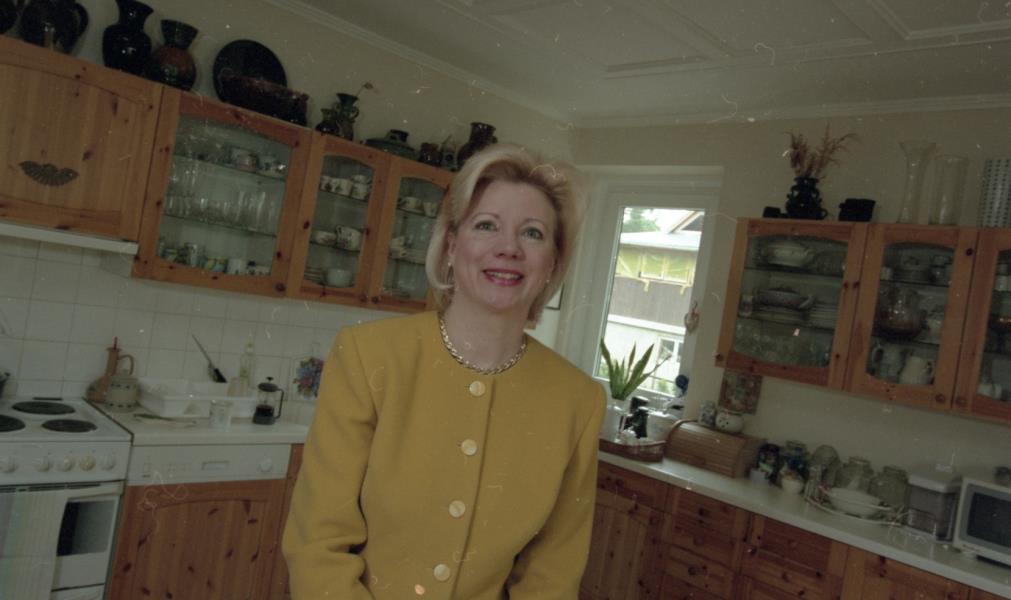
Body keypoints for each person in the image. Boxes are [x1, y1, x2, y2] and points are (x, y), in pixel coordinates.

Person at [282, 144, 606, 599]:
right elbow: (318, 545)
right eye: (486, 225)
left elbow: (552, 574)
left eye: (532, 233)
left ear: (552, 263)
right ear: (452, 246)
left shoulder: (578, 400)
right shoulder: (368, 356)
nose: (508, 248)